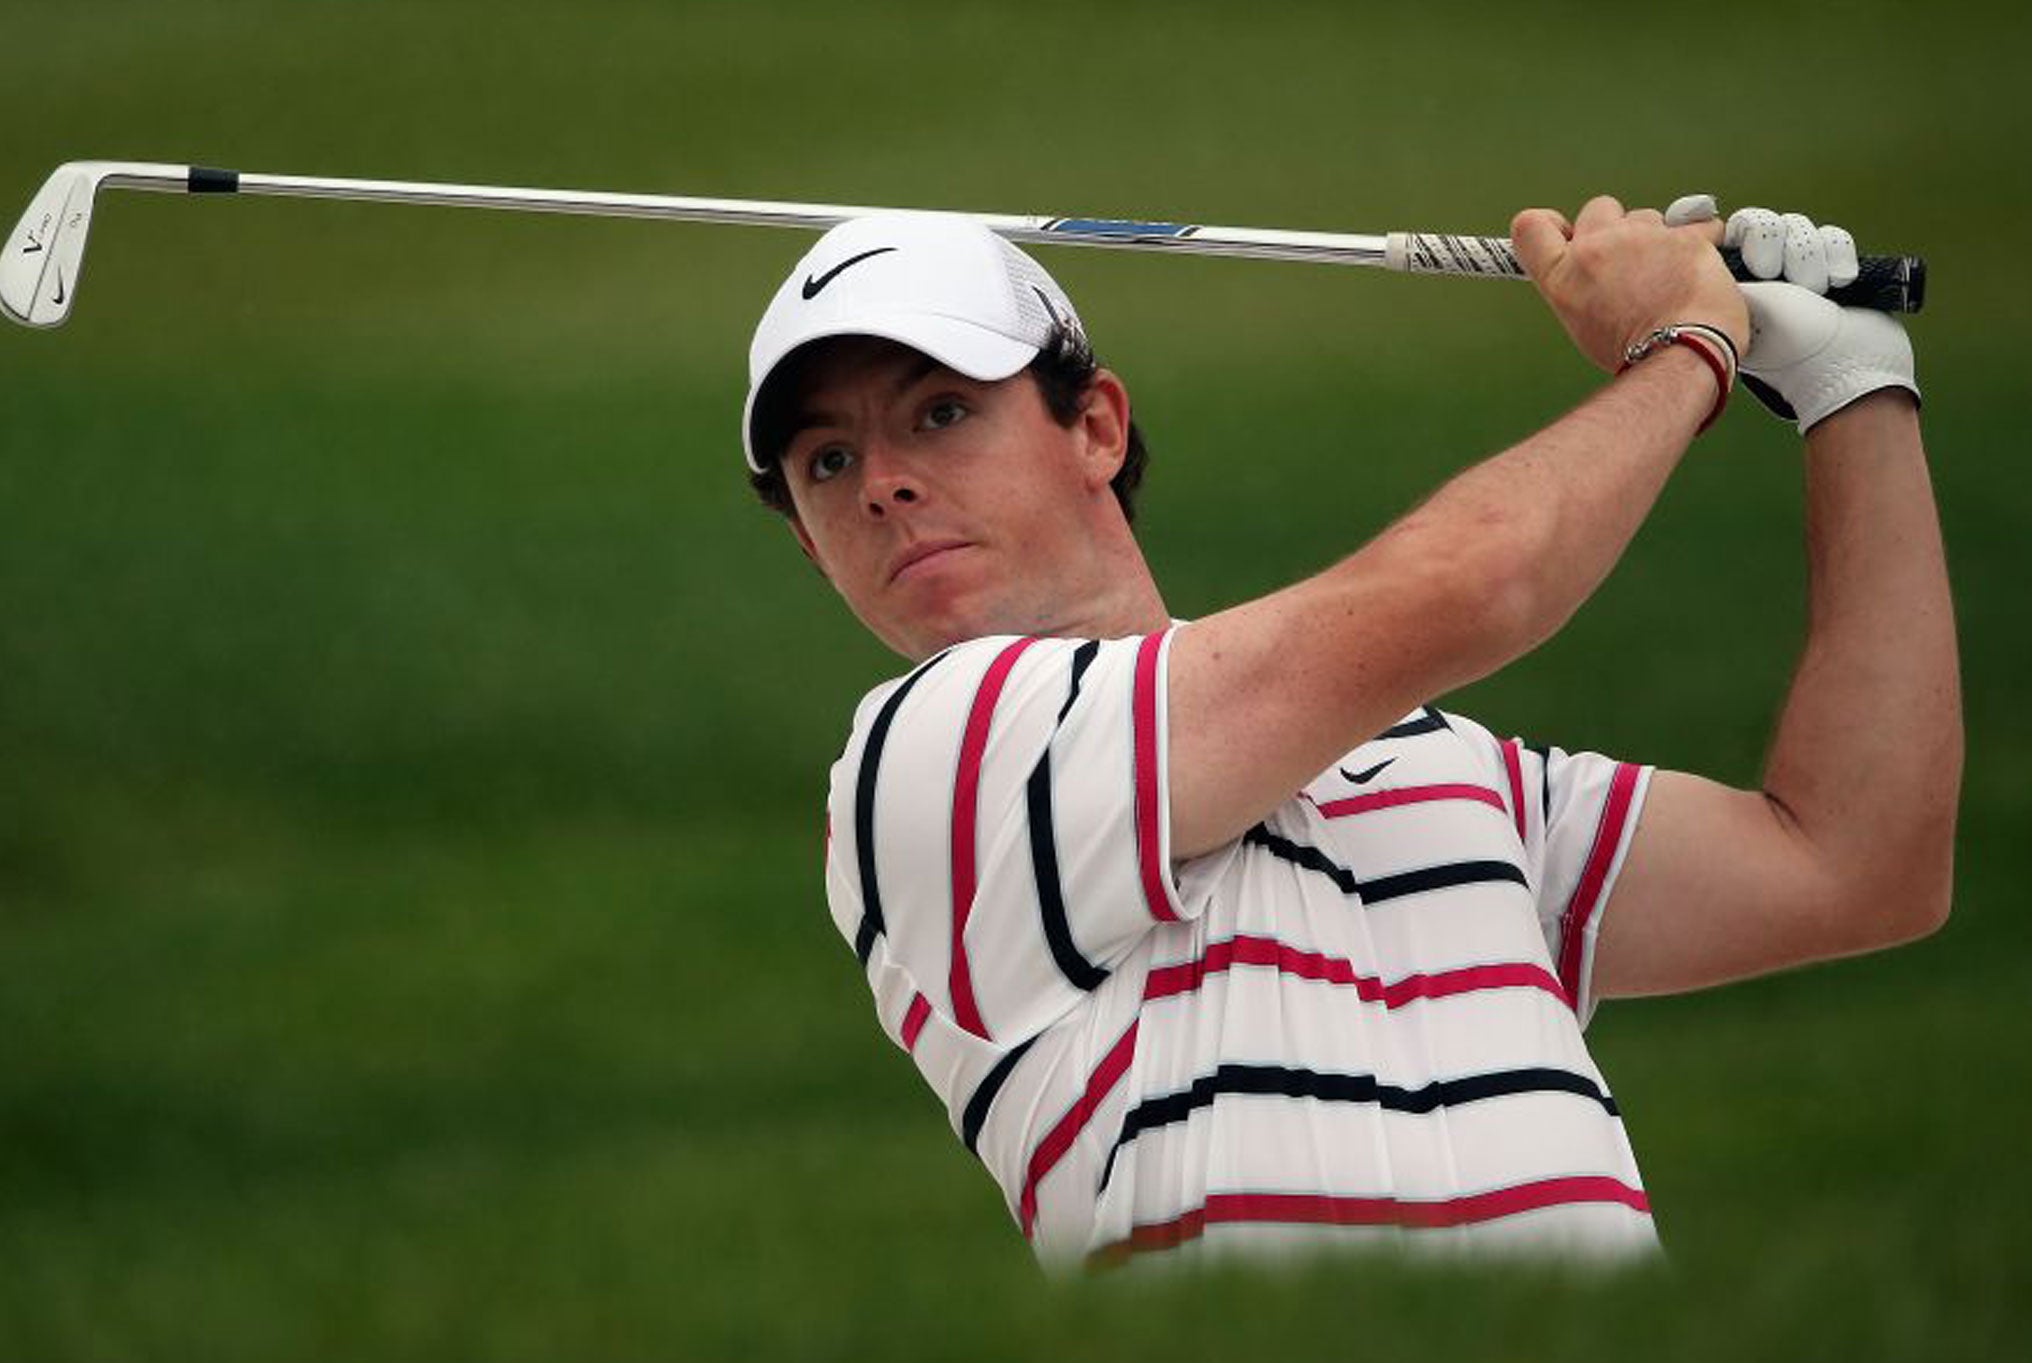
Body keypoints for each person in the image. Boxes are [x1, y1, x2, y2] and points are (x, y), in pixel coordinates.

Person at [738, 194, 1959, 1273]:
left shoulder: (1433, 763)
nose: (880, 484)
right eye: (826, 460)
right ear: (805, 538)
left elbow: (1852, 865)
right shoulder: (932, 755)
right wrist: (1686, 343)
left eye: (941, 413)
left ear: (1097, 428)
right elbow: (1476, 585)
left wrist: (1850, 391)